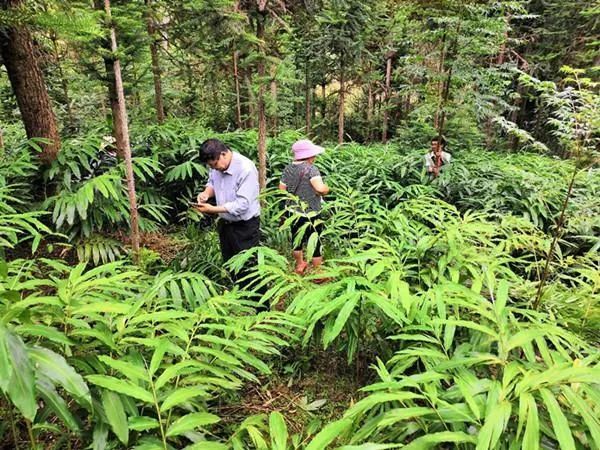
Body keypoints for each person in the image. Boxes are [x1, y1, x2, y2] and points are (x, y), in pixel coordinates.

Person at [194, 139, 261, 266]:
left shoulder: (245, 168)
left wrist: (212, 209)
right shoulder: (215, 167)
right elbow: (212, 183)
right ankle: (235, 285)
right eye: (211, 167)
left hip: (245, 227)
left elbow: (242, 205)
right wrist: (206, 194)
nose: (214, 169)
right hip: (225, 224)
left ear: (223, 154)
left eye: (215, 165)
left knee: (248, 267)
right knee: (230, 264)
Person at [279, 139, 330, 275]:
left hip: (293, 211)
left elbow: (281, 189)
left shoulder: (288, 168)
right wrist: (326, 189)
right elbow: (320, 189)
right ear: (308, 155)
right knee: (315, 240)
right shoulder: (312, 169)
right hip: (311, 213)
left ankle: (300, 265)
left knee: (297, 239)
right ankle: (318, 272)